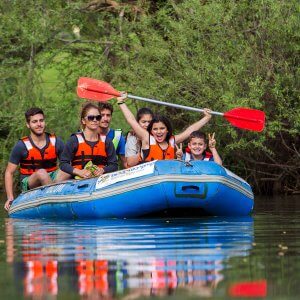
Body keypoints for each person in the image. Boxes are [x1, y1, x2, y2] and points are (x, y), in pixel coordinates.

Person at [117, 94, 212, 162]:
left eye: (162, 128)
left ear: (167, 130)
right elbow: (132, 121)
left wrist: (206, 118)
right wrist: (121, 102)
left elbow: (190, 130)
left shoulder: (172, 140)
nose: (159, 132)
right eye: (155, 129)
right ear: (151, 131)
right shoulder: (147, 138)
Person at [4, 108, 64, 211]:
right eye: (34, 121)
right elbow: (9, 172)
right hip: (29, 181)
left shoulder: (56, 141)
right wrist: (10, 197)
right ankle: (55, 203)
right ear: (28, 125)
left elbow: (66, 164)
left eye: (41, 120)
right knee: (42, 173)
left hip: (52, 177)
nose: (39, 124)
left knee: (67, 171)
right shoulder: (21, 146)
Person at [55, 102, 118, 181]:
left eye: (98, 117)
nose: (95, 120)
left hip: (100, 181)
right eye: (91, 117)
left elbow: (114, 165)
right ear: (83, 121)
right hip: (77, 181)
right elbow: (63, 164)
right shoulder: (74, 140)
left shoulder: (107, 142)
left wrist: (103, 170)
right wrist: (79, 172)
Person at [97, 103, 127, 168]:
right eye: (102, 115)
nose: (105, 119)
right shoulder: (86, 135)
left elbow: (126, 164)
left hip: (111, 175)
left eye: (108, 115)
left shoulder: (118, 137)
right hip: (89, 176)